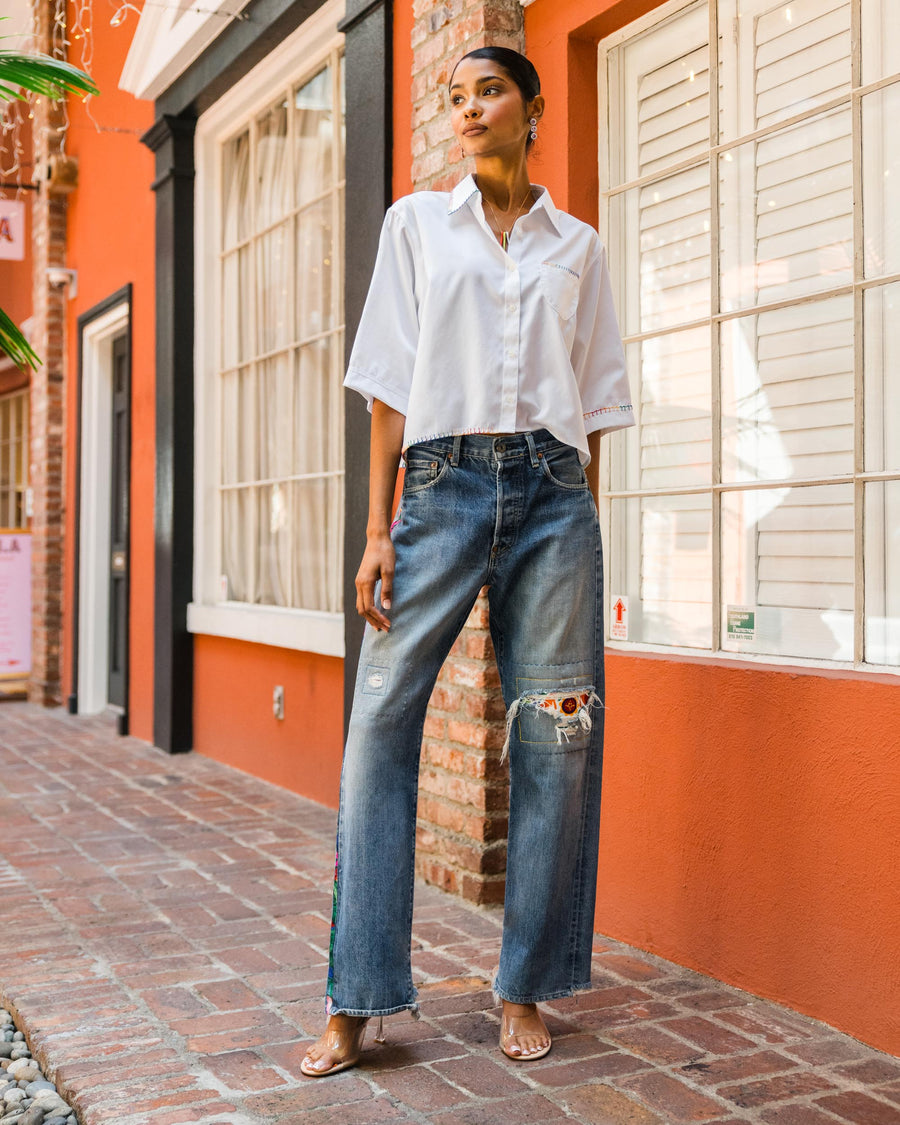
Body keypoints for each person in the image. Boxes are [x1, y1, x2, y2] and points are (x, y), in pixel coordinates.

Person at [300, 45, 634, 1078]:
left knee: (555, 741)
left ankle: (522, 984)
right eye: (456, 98)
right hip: (440, 491)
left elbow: (600, 400)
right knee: (380, 725)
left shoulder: (576, 245)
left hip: (554, 497)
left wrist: (585, 525)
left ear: (532, 110)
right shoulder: (415, 227)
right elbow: (387, 387)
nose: (469, 111)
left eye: (489, 92)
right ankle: (357, 999)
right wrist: (373, 531)